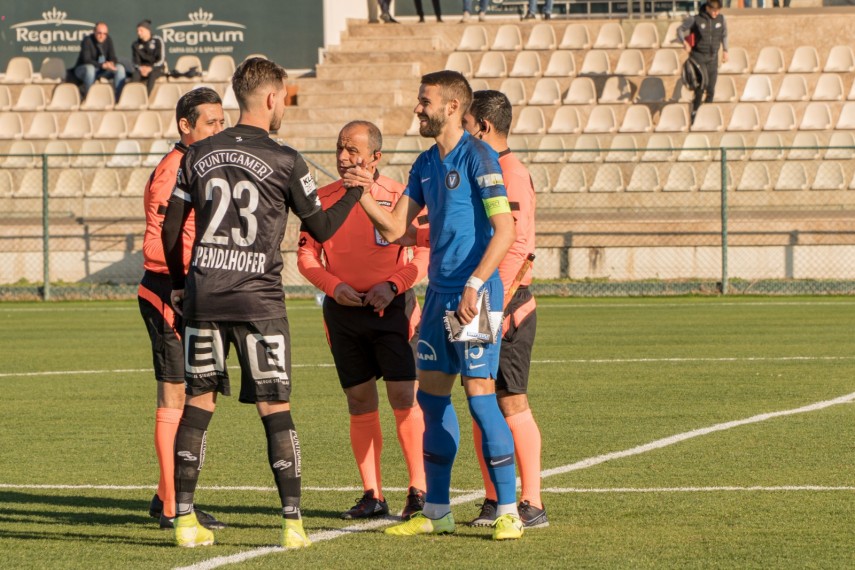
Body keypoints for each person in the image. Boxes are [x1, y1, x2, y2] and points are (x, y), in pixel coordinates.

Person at [160, 57, 365, 549]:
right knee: (275, 407)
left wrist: (179, 282)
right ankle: (292, 523)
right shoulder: (287, 158)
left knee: (197, 404)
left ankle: (184, 521)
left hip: (205, 296)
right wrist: (354, 193)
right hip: (259, 301)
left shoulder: (197, 153)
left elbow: (172, 228)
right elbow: (320, 229)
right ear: (272, 98)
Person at [343, 70, 523, 541]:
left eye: (425, 101)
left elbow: (505, 231)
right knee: (432, 399)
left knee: (481, 400)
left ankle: (508, 510)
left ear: (450, 107)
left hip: (475, 295)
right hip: (441, 293)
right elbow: (394, 229)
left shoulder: (479, 155)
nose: (417, 108)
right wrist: (362, 193)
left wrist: (476, 283)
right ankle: (437, 510)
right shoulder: (424, 164)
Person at [296, 120, 429, 521]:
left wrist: (393, 284)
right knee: (359, 401)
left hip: (394, 311)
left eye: (353, 150)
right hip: (343, 314)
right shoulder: (321, 200)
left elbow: (423, 254)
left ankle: (418, 491)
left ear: (376, 157)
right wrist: (333, 286)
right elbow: (305, 256)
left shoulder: (401, 197)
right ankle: (372, 494)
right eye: (340, 148)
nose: (343, 157)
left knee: (405, 397)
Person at [457, 90, 548, 529]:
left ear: (483, 128)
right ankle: (495, 499)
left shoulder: (511, 173)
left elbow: (517, 246)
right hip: (480, 300)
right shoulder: (482, 169)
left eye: (467, 122)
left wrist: (496, 302)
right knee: (479, 399)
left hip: (503, 304)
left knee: (511, 401)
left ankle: (531, 501)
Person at [139, 87, 227, 532]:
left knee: (194, 395)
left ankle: (163, 495)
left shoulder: (200, 165)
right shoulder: (174, 169)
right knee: (176, 396)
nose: (220, 128)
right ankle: (175, 508)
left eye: (221, 120)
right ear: (185, 126)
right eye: (210, 122)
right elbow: (158, 244)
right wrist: (185, 280)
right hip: (168, 291)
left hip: (194, 290)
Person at [678, 0, 729, 124]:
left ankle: (706, 115)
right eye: (714, 10)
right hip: (698, 57)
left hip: (713, 58)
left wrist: (726, 50)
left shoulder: (721, 19)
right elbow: (680, 30)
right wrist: (684, 42)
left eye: (718, 11)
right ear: (707, 8)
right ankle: (695, 113)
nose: (716, 13)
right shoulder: (695, 19)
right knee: (700, 88)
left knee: (711, 89)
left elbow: (724, 35)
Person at [73, 22, 126, 98]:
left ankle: (118, 99)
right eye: (99, 33)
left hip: (102, 70)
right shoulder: (87, 40)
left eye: (105, 34)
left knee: (120, 68)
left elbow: (112, 57)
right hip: (83, 70)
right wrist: (102, 65)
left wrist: (111, 63)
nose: (102, 36)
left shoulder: (108, 40)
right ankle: (89, 98)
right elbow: (86, 60)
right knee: (90, 69)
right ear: (94, 32)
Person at [131, 19, 165, 96]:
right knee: (135, 75)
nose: (138, 33)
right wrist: (141, 68)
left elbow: (161, 60)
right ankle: (132, 97)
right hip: (142, 69)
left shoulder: (157, 40)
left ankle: (145, 97)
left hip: (156, 68)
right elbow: (135, 62)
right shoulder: (135, 44)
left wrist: (151, 68)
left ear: (147, 30)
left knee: (152, 75)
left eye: (141, 30)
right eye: (137, 31)